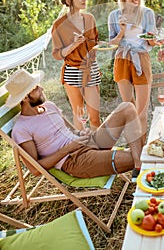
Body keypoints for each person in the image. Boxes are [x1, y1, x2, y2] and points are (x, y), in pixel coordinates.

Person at [5, 69, 144, 179]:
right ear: (25, 97)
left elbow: (71, 131)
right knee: (142, 155)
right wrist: (69, 148)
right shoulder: (21, 129)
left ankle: (138, 166)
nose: (41, 88)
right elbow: (35, 169)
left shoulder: (50, 107)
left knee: (127, 107)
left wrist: (81, 133)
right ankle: (140, 163)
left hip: (87, 143)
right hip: (74, 160)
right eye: (35, 87)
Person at [108, 0, 158, 144]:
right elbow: (112, 44)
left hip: (141, 59)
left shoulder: (147, 13)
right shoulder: (114, 16)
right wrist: (121, 31)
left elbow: (152, 42)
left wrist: (153, 38)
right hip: (122, 60)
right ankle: (135, 151)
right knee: (130, 110)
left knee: (141, 113)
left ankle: (142, 151)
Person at [52, 0, 101, 130]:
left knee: (95, 118)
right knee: (79, 115)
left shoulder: (89, 19)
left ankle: (100, 150)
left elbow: (96, 42)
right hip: (72, 71)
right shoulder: (58, 25)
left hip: (90, 69)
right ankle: (82, 151)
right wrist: (73, 45)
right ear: (69, 1)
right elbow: (56, 54)